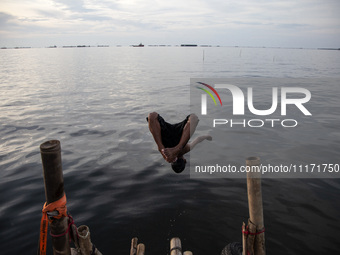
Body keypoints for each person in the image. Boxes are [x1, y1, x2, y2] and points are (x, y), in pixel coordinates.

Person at [147, 112, 212, 173]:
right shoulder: (166, 154)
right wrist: (161, 149)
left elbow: (199, 139)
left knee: (194, 118)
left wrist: (207, 136)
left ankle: (175, 147)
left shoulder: (186, 149)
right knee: (152, 116)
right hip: (175, 137)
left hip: (179, 135)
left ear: (185, 160)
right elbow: (152, 117)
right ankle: (177, 147)